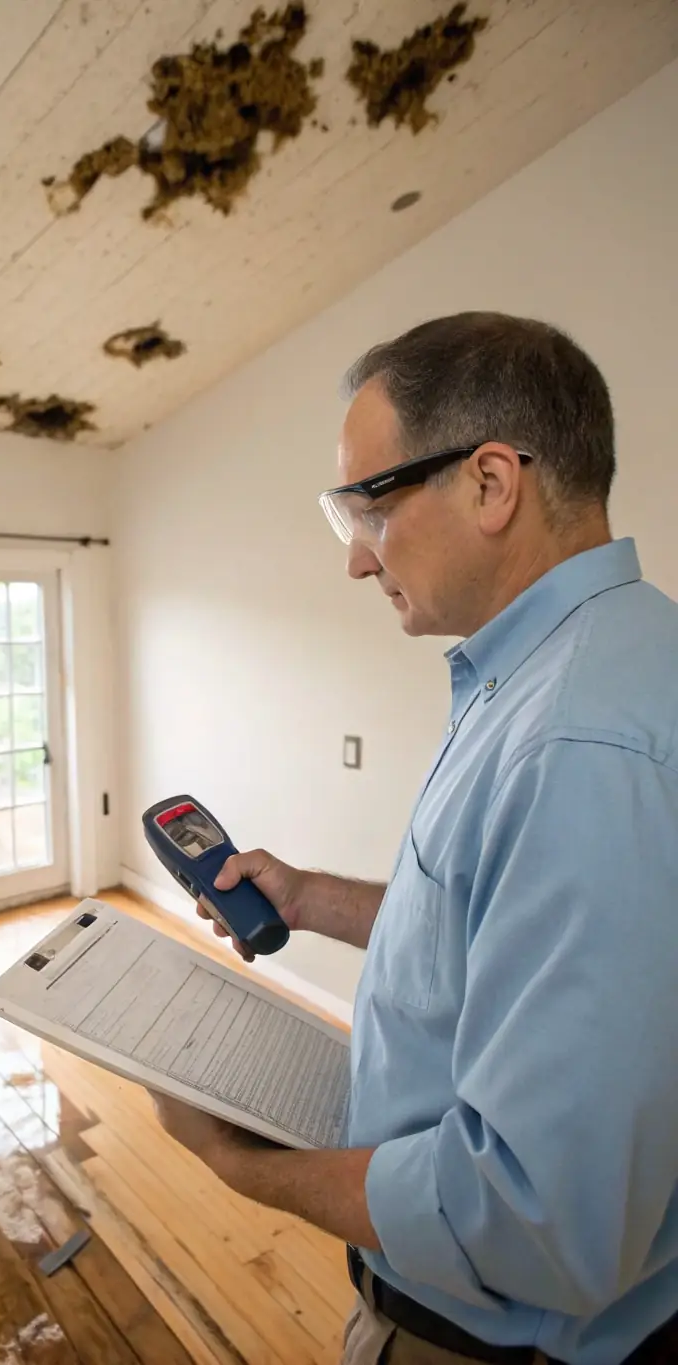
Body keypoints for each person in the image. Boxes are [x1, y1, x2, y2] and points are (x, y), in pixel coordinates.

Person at [148, 313, 678, 1364]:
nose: (355, 558)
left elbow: (532, 1219)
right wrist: (304, 899)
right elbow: (497, 935)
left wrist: (248, 1168)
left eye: (368, 507)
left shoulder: (579, 745)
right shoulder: (588, 665)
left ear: (490, 484)